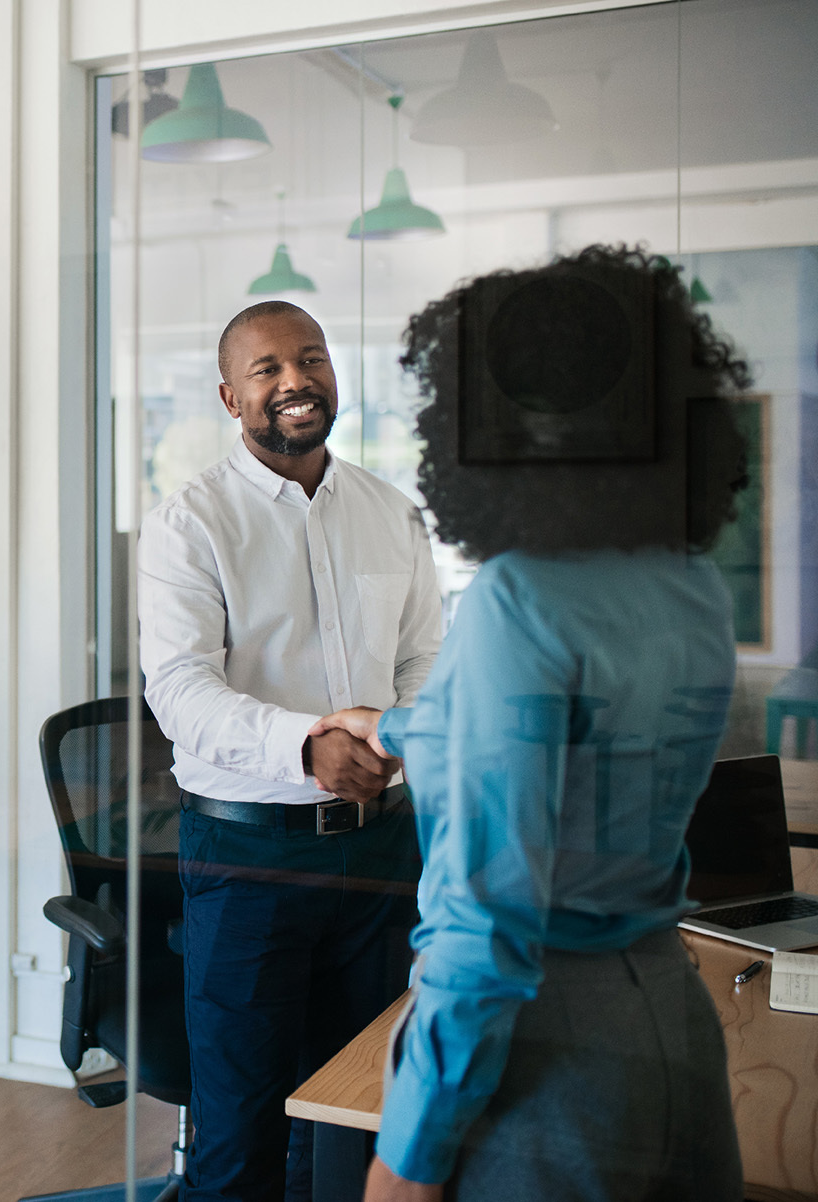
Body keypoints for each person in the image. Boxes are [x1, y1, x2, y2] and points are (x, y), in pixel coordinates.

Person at [309, 245, 749, 1202]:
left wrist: (407, 1160)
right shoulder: (693, 589)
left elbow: (485, 923)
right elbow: (587, 751)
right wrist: (401, 726)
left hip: (549, 1065)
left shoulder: (520, 601)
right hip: (673, 1023)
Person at [137, 299, 442, 1201]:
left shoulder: (393, 514)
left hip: (380, 848)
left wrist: (393, 739)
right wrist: (308, 748)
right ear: (232, 398)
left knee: (356, 1112)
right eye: (268, 369)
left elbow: (425, 658)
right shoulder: (190, 524)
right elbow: (179, 690)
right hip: (248, 860)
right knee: (242, 1129)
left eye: (310, 359)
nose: (295, 381)